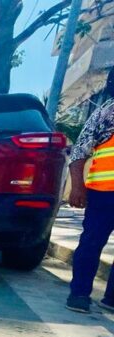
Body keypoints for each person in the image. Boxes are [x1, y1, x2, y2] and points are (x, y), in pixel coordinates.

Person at [66, 67, 114, 313]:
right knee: (92, 243)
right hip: (104, 193)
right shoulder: (107, 113)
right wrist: (77, 188)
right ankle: (79, 294)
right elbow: (79, 152)